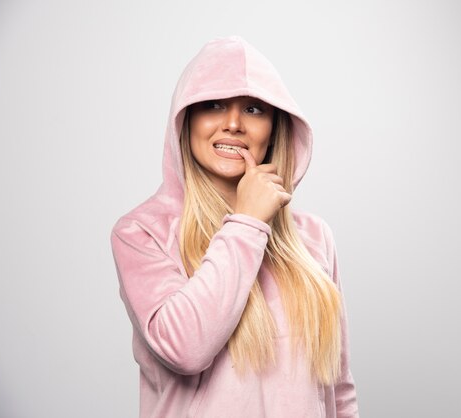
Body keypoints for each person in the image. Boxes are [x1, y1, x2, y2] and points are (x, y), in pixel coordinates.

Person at [110, 36, 359, 418]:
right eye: (212, 105)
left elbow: (338, 390)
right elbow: (185, 348)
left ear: (275, 128)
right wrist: (248, 222)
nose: (233, 124)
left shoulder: (314, 238)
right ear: (186, 119)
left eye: (254, 109)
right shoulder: (142, 233)